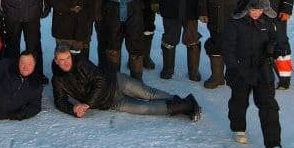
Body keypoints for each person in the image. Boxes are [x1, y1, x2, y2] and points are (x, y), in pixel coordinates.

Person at [51, 48, 201, 120]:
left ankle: (185, 103)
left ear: (71, 56)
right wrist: (73, 109)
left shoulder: (81, 63)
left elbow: (100, 81)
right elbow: (59, 101)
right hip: (110, 102)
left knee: (148, 93)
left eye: (67, 58)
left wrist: (87, 104)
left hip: (115, 82)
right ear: (56, 61)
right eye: (61, 60)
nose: (65, 63)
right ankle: (186, 105)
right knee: (144, 108)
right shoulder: (57, 79)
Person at [221, 0, 285, 148]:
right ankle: (238, 128)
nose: (257, 13)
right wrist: (233, 69)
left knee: (269, 106)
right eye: (254, 9)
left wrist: (274, 49)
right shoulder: (235, 23)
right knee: (239, 102)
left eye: (260, 10)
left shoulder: (267, 22)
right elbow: (227, 48)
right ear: (247, 8)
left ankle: (274, 145)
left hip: (263, 70)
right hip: (241, 70)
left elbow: (274, 40)